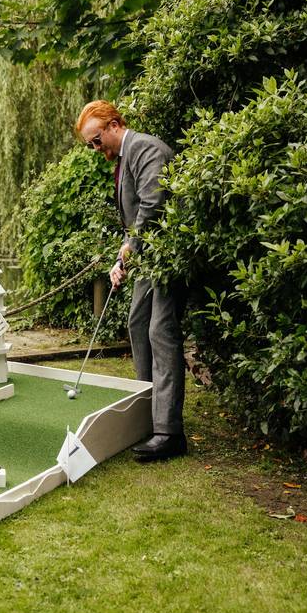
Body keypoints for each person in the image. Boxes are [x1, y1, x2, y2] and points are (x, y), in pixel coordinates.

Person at [76, 100, 187, 461]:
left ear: (113, 124)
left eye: (96, 140)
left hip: (166, 255)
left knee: (160, 330)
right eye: (90, 145)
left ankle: (169, 433)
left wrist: (129, 247)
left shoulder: (146, 148)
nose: (96, 149)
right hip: (147, 256)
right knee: (137, 323)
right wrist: (126, 251)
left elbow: (153, 204)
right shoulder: (125, 157)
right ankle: (144, 412)